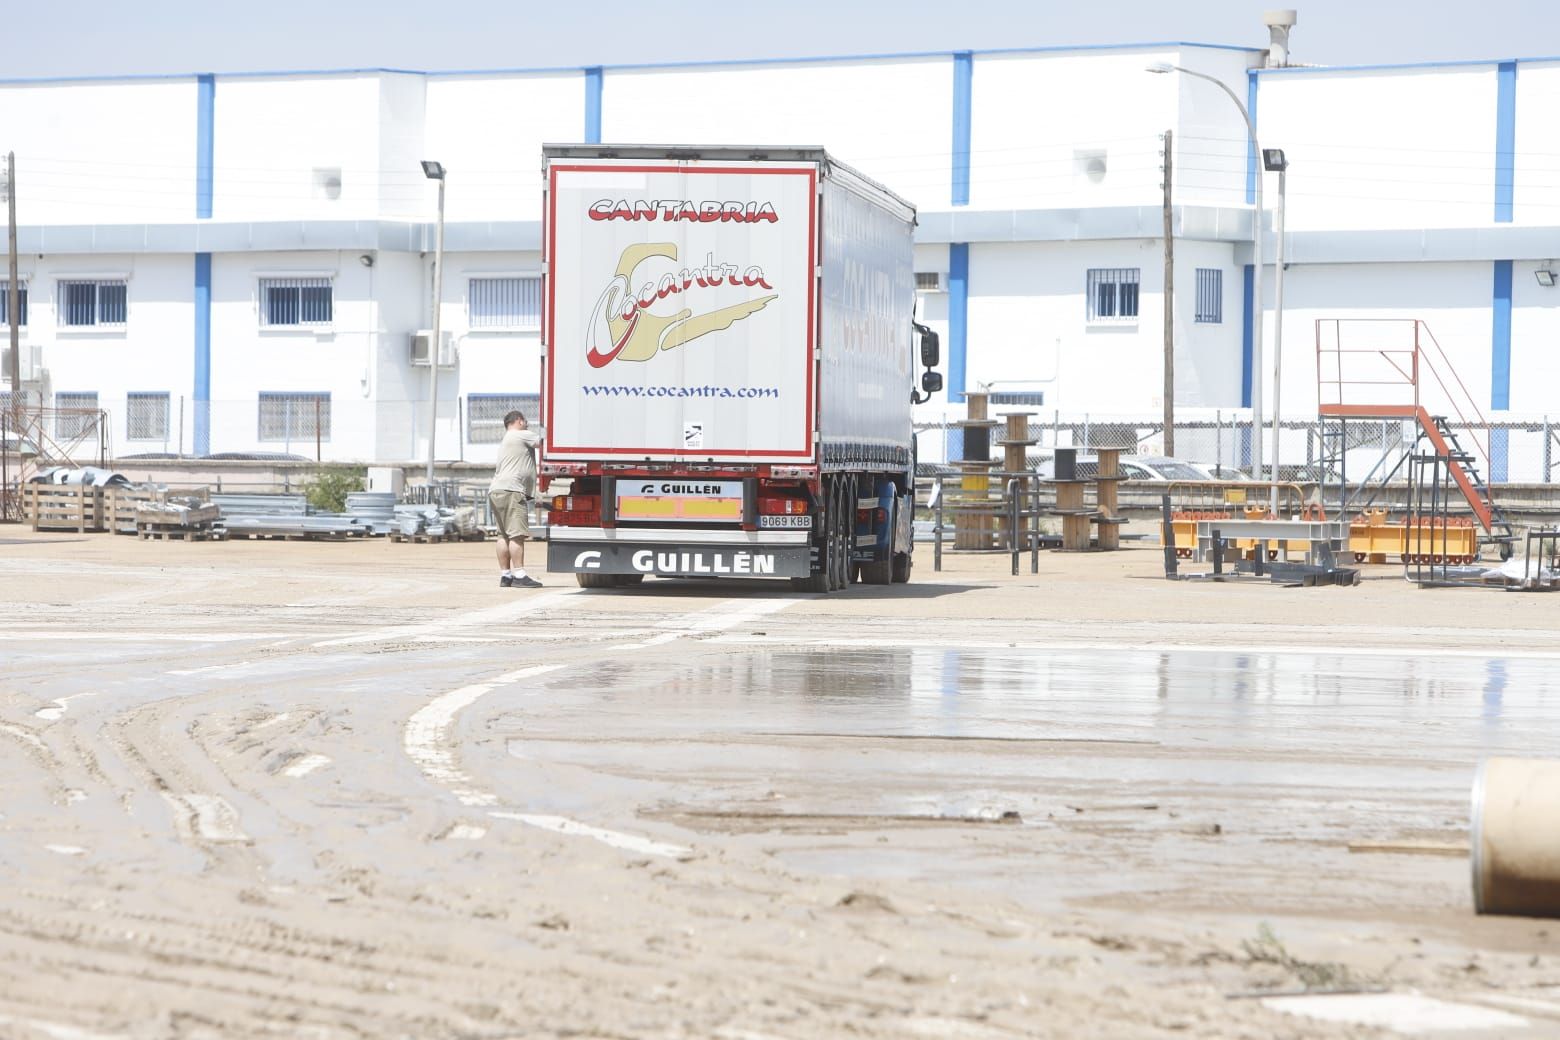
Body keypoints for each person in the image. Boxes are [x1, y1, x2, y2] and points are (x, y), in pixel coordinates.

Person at [488, 410, 543, 588]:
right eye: (526, 422)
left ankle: (506, 575)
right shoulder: (520, 434)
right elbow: (543, 443)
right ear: (519, 421)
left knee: (503, 535)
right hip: (512, 490)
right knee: (517, 535)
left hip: (497, 490)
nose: (527, 425)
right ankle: (520, 574)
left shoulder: (507, 438)